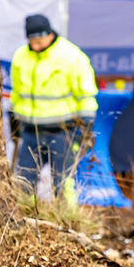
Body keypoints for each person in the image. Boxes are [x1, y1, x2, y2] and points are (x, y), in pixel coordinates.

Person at [9, 14, 99, 205]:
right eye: (32, 41)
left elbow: (86, 95)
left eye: (39, 41)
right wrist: (13, 117)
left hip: (62, 131)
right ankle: (25, 214)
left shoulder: (72, 56)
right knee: (23, 180)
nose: (35, 46)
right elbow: (16, 92)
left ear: (50, 35)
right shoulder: (21, 57)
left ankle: (68, 217)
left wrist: (86, 126)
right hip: (31, 131)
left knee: (63, 182)